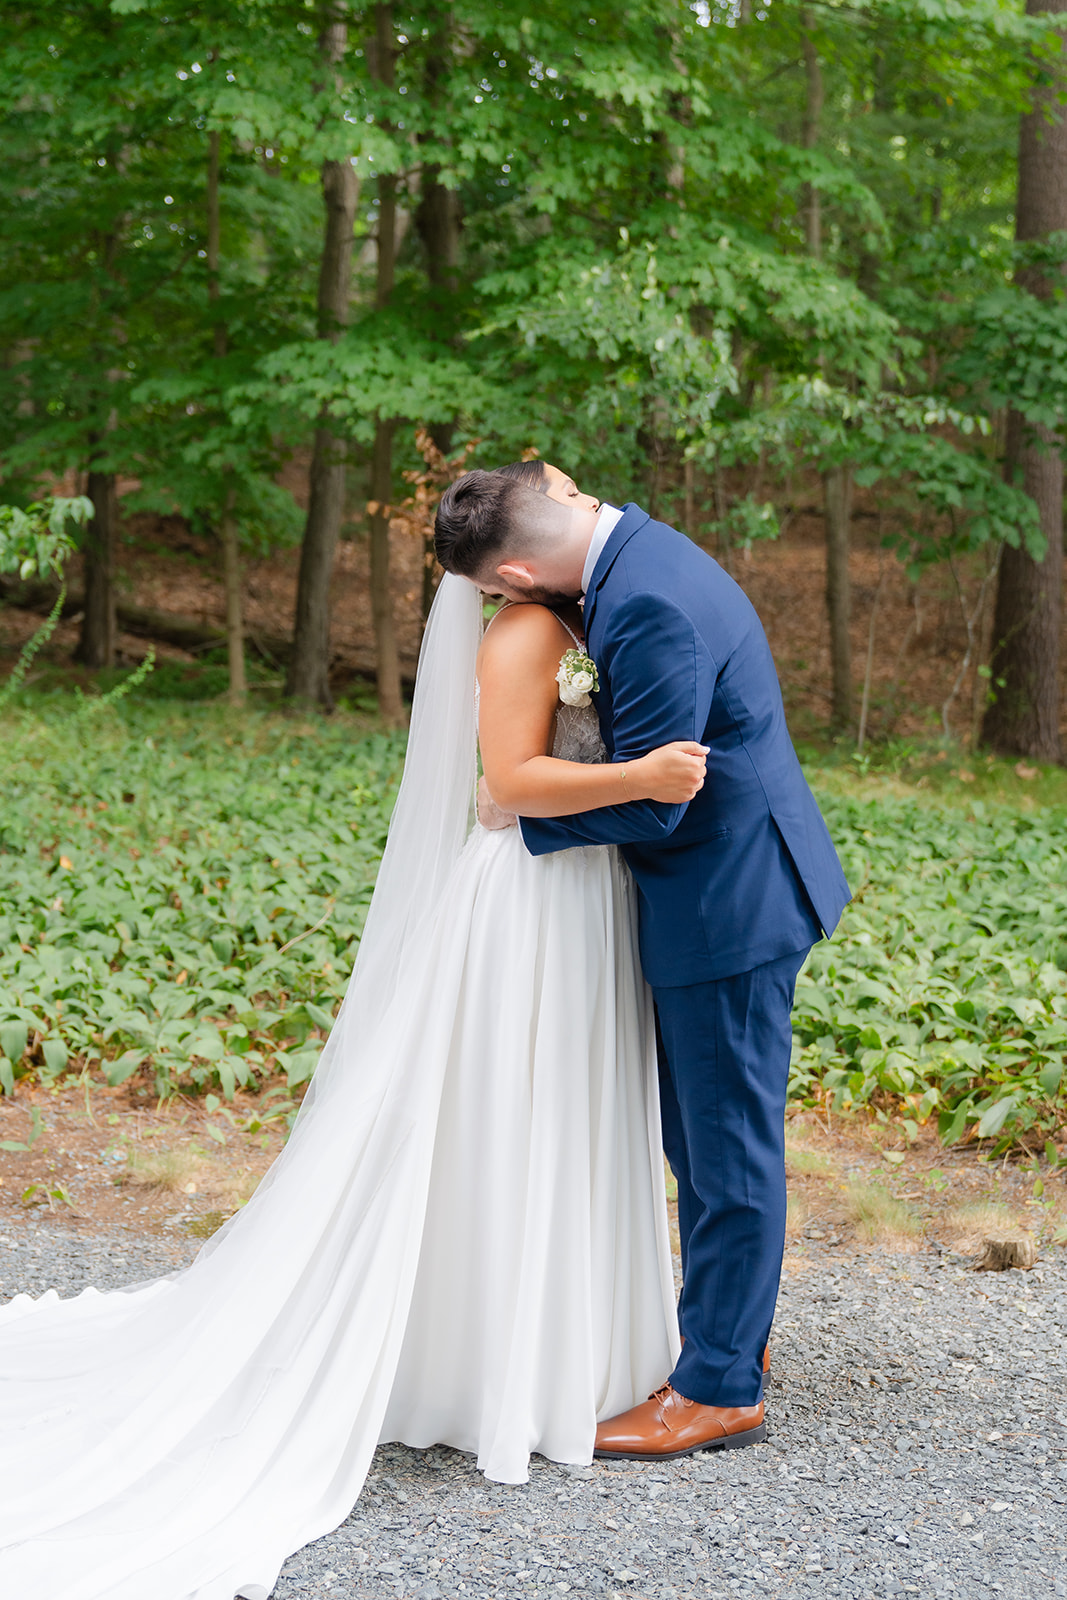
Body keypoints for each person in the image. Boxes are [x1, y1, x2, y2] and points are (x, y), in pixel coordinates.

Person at [0, 476, 706, 1599]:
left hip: (583, 894)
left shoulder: (580, 604)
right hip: (532, 902)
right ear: (509, 572)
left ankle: (555, 1348)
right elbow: (509, 780)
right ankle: (495, 1363)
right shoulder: (526, 630)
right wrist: (644, 772)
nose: (574, 488)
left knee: (562, 1107)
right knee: (515, 1113)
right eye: (554, 492)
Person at [434, 462, 851, 1460]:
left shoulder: (644, 602)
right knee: (706, 1134)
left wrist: (516, 821)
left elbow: (661, 800)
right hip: (730, 884)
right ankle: (727, 1333)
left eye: (497, 588)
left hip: (726, 905)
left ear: (523, 569)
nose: (501, 604)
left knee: (719, 1144)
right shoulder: (635, 554)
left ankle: (716, 1385)